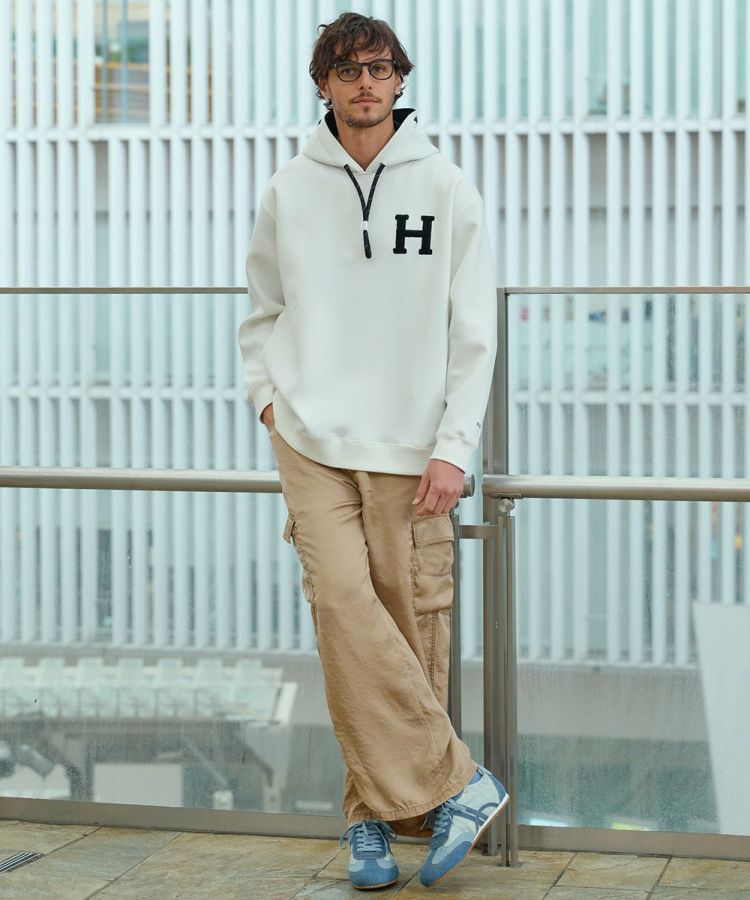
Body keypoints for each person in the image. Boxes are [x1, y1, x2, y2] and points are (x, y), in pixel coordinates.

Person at [237, 11, 508, 891]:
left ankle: (371, 823)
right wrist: (268, 399)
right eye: (348, 69)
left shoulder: (447, 186)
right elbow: (261, 310)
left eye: (380, 68)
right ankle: (460, 784)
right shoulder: (289, 188)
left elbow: (475, 331)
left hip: (410, 443)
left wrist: (454, 446)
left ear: (400, 80)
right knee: (343, 608)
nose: (365, 83)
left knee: (403, 626)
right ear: (323, 82)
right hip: (308, 437)